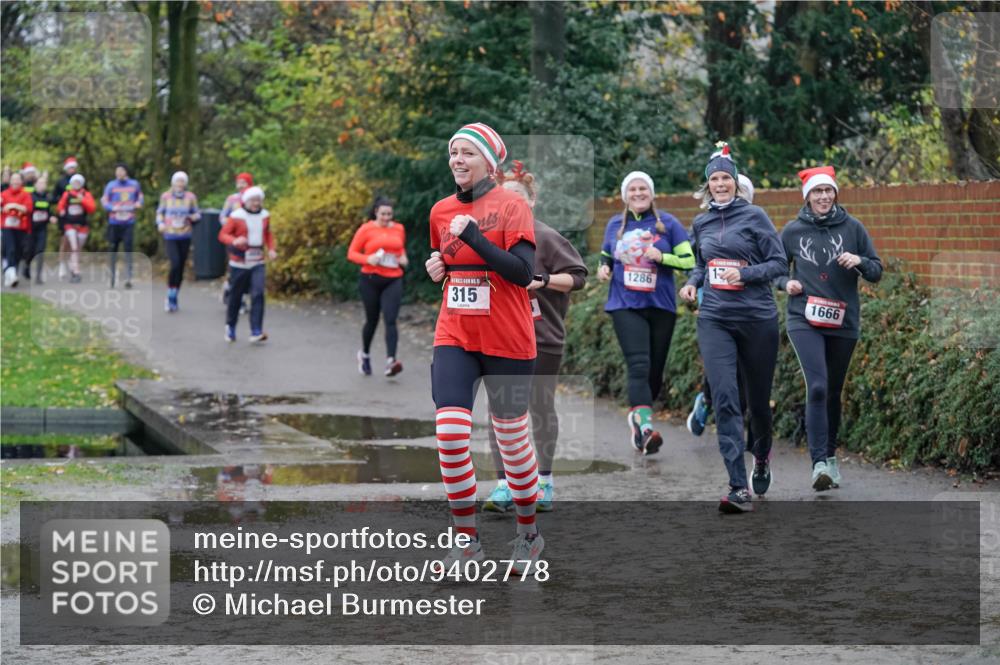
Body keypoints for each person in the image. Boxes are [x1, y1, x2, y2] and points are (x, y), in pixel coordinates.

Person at [424, 122, 543, 574]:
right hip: (455, 334)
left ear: (488, 162)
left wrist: (474, 237)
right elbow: (452, 269)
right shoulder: (439, 211)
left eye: (467, 153)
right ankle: (466, 543)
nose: (457, 159)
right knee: (451, 434)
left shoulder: (512, 205)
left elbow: (522, 272)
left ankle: (529, 534)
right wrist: (438, 268)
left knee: (512, 443)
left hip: (508, 339)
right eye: (453, 152)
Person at [679, 142, 787, 514]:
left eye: (726, 178)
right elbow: (700, 263)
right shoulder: (701, 221)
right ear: (707, 185)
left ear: (735, 182)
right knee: (725, 398)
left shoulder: (755, 216)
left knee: (757, 402)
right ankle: (737, 486)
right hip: (715, 318)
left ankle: (761, 456)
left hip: (757, 317)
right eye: (714, 179)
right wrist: (693, 282)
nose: (720, 184)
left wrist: (744, 274)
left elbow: (778, 264)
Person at [483, 161, 588, 513]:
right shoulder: (488, 239)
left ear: (531, 200)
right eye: (503, 198)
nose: (510, 203)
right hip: (499, 338)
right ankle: (505, 485)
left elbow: (578, 277)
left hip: (542, 336)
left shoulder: (545, 236)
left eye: (517, 197)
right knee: (499, 410)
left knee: (539, 408)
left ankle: (543, 480)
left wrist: (540, 282)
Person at [775, 166, 882, 491]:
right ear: (807, 197)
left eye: (828, 191)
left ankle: (831, 459)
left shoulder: (853, 228)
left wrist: (860, 262)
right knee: (818, 386)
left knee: (833, 390)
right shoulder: (792, 231)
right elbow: (774, 268)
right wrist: (786, 282)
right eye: (816, 192)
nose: (823, 197)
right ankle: (818, 462)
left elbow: (877, 270)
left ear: (835, 194)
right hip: (803, 318)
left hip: (843, 321)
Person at [596, 170, 694, 455]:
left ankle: (639, 419)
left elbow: (689, 261)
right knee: (638, 365)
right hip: (624, 304)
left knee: (654, 372)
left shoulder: (670, 225)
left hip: (661, 304)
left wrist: (662, 257)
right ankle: (646, 428)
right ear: (625, 195)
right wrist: (604, 268)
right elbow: (606, 254)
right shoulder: (615, 224)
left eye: (643, 189)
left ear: (652, 194)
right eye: (633, 190)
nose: (638, 194)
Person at [687, 172, 756, 437]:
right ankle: (706, 401)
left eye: (743, 196)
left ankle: (740, 421)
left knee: (744, 364)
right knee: (723, 362)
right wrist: (694, 283)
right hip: (715, 303)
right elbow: (698, 261)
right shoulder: (706, 224)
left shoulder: (755, 222)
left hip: (748, 305)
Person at [347, 196, 409, 376]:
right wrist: (368, 259)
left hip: (393, 278)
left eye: (389, 214)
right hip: (370, 279)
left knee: (390, 319)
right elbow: (351, 253)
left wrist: (403, 258)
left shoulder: (399, 228)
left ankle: (391, 361)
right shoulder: (366, 229)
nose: (386, 217)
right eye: (383, 214)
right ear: (376, 212)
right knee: (372, 320)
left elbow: (400, 248)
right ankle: (364, 354)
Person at [218, 186, 276, 343]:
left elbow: (268, 233)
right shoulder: (236, 216)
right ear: (246, 201)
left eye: (259, 200)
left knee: (258, 294)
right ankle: (230, 327)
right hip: (239, 262)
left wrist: (271, 249)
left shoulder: (265, 215)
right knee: (236, 296)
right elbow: (223, 234)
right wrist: (235, 241)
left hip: (258, 261)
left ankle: (256, 330)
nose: (256, 203)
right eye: (253, 200)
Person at [156, 171, 200, 312]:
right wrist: (160, 223)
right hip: (170, 234)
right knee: (174, 264)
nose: (180, 184)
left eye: (182, 181)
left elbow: (197, 213)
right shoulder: (166, 196)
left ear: (185, 184)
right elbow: (160, 212)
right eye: (177, 181)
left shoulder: (190, 197)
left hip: (185, 235)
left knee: (180, 267)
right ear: (173, 183)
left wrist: (194, 217)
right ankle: (169, 294)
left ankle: (175, 295)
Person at [101, 162, 143, 288]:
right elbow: (104, 200)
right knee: (113, 249)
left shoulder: (134, 184)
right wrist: (112, 207)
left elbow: (140, 197)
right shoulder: (111, 185)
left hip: (128, 222)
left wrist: (138, 204)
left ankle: (128, 278)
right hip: (114, 222)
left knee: (128, 250)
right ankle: (112, 277)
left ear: (126, 172)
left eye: (121, 170)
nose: (118, 173)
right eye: (117, 171)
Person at [220, 172, 253, 308]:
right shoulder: (232, 199)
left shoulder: (254, 199)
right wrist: (230, 227)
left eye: (243, 182)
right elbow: (223, 216)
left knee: (249, 269)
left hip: (251, 240)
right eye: (238, 182)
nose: (240, 185)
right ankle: (231, 290)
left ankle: (242, 297)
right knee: (235, 268)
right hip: (234, 239)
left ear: (249, 184)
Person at [56, 173, 96, 283]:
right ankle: (76, 272)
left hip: (82, 225)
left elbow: (92, 208)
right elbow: (60, 206)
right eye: (74, 182)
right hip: (70, 225)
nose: (76, 184)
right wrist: (61, 211)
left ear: (82, 184)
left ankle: (72, 264)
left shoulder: (85, 194)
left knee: (78, 248)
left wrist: (82, 200)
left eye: (78, 182)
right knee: (74, 247)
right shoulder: (67, 194)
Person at [2, 172, 33, 288]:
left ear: (21, 182)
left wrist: (13, 205)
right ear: (10, 182)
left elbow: (28, 208)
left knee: (19, 252)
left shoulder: (25, 195)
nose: (15, 182)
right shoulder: (4, 194)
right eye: (13, 179)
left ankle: (10, 272)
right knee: (10, 249)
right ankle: (12, 273)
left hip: (21, 227)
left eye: (17, 180)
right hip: (6, 226)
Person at [24, 174, 56, 284]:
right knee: (30, 251)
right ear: (35, 185)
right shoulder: (30, 196)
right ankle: (27, 265)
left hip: (42, 228)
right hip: (31, 228)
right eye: (40, 183)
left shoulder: (47, 197)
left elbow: (48, 210)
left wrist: (51, 216)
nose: (42, 185)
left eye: (44, 183)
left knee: (40, 251)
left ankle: (38, 276)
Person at [53, 157, 79, 281]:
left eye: (73, 167)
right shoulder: (61, 182)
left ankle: (72, 264)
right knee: (64, 241)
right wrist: (60, 206)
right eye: (70, 168)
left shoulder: (80, 181)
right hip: (64, 216)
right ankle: (62, 264)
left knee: (75, 242)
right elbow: (54, 197)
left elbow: (86, 196)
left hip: (77, 217)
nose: (71, 170)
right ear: (66, 169)